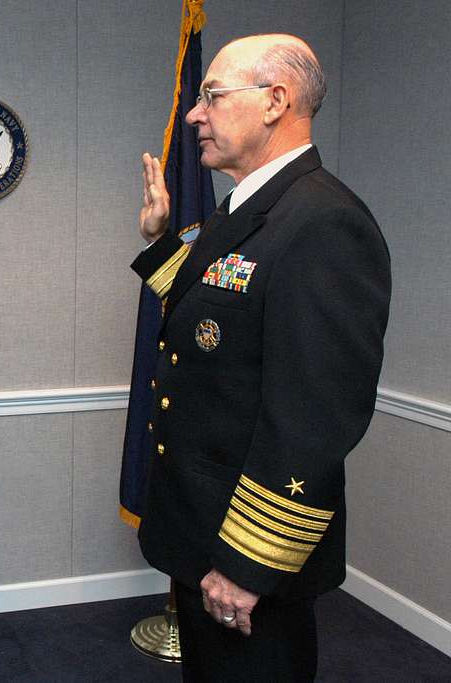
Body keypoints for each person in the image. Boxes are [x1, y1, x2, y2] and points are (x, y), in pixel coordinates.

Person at [131, 34, 391, 681]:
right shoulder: (245, 211)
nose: (195, 114)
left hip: (245, 558)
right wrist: (161, 241)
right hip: (201, 533)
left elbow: (312, 419)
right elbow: (210, 322)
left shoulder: (323, 222)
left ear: (276, 101)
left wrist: (248, 565)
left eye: (212, 96)